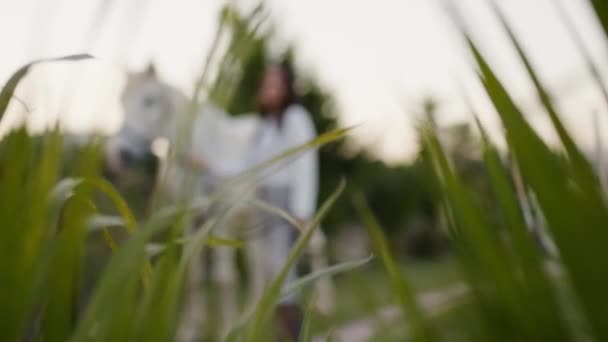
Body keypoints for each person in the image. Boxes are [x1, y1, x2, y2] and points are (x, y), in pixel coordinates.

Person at [184, 61, 319, 340]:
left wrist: (302, 213)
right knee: (275, 277)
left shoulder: (296, 118)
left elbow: (306, 164)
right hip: (266, 201)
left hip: (287, 204)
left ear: (286, 88)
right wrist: (208, 164)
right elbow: (248, 167)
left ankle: (298, 336)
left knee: (285, 278)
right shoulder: (264, 126)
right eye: (265, 84)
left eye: (275, 84)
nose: (269, 89)